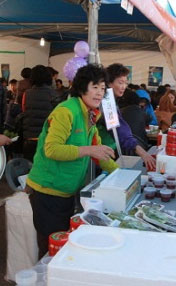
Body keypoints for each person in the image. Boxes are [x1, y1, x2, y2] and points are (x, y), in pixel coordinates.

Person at [26, 64, 119, 259]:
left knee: (63, 246)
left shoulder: (91, 115)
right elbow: (51, 149)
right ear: (82, 87)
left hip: (67, 191)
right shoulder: (66, 112)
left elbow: (98, 152)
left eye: (103, 88)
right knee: (51, 249)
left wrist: (120, 174)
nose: (99, 93)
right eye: (95, 87)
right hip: (47, 191)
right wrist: (89, 150)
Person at [106, 63, 156, 170]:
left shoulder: (111, 100)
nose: (124, 87)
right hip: (103, 154)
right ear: (109, 83)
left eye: (126, 83)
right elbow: (121, 131)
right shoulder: (106, 101)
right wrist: (142, 152)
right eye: (120, 83)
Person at [22, 65, 58, 162]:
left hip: (29, 138)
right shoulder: (54, 94)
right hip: (47, 139)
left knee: (29, 170)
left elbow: (24, 111)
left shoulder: (27, 93)